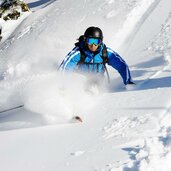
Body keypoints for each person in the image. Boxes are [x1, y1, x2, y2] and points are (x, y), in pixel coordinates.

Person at [59, 26, 134, 86]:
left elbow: (122, 66)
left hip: (98, 82)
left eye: (96, 42)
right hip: (79, 81)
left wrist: (129, 82)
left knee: (95, 90)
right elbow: (65, 68)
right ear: (86, 40)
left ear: (100, 42)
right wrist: (61, 85)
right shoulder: (78, 52)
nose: (93, 45)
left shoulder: (105, 52)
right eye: (90, 41)